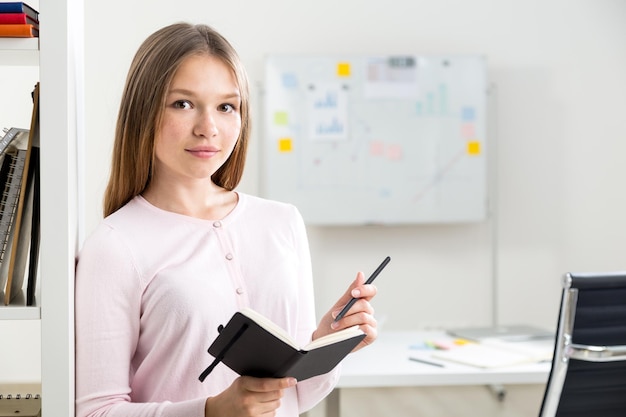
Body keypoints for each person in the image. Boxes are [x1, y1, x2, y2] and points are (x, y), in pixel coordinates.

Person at [75, 22, 378, 417]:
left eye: (226, 106)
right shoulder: (115, 244)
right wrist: (210, 410)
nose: (208, 129)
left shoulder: (282, 222)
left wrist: (327, 342)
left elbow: (294, 396)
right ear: (144, 110)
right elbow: (96, 411)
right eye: (182, 103)